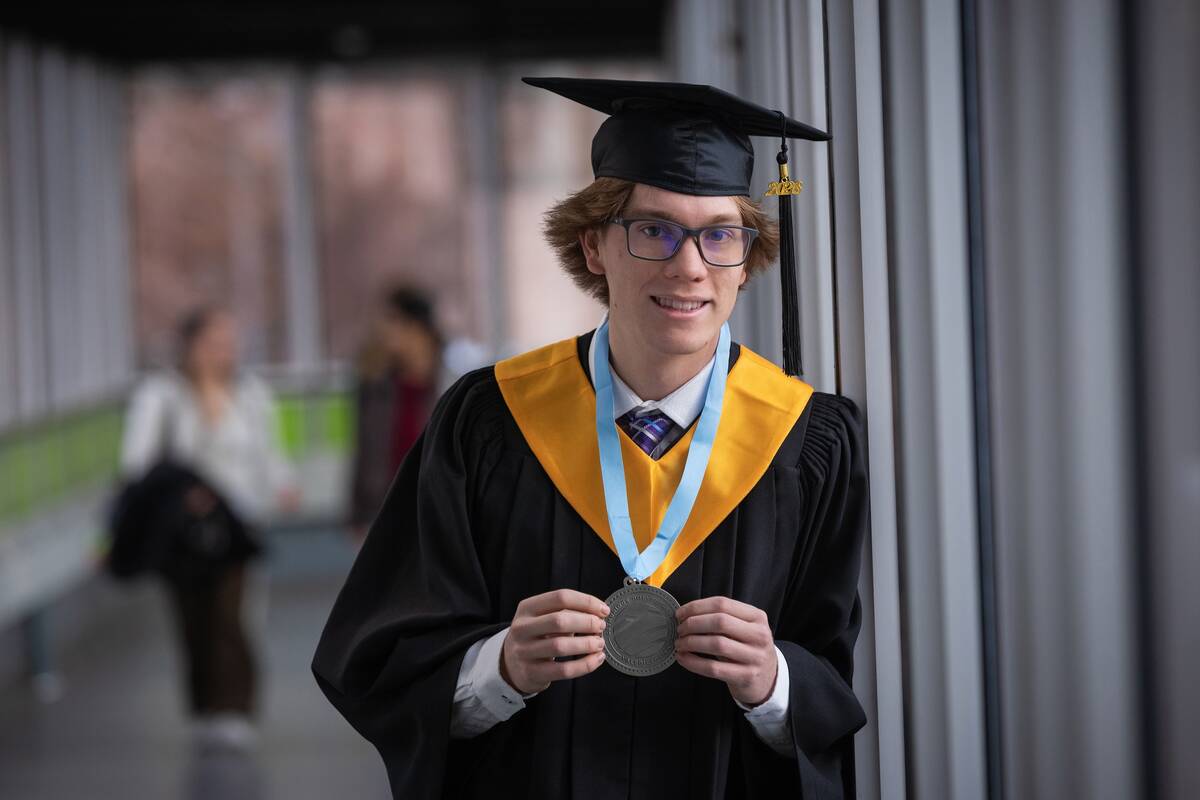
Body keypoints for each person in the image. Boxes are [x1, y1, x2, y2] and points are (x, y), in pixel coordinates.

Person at [313, 78, 869, 798]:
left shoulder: (811, 442)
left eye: (720, 233)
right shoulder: (488, 422)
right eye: (655, 229)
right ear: (595, 246)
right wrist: (500, 667)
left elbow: (834, 685)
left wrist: (772, 680)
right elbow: (383, 660)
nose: (690, 265)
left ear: (747, 254)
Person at [120, 307, 297, 750]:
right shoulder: (161, 397)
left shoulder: (251, 394)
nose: (226, 351)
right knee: (192, 617)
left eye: (230, 342)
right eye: (215, 342)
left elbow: (268, 453)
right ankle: (204, 707)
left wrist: (284, 485)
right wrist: (180, 493)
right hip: (182, 533)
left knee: (233, 616)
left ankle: (236, 707)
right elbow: (138, 463)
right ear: (191, 346)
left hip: (238, 527)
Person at [347, 286, 443, 539]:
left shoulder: (450, 384)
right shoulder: (375, 386)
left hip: (438, 512)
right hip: (385, 512)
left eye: (393, 321)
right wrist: (357, 514)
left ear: (416, 328)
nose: (384, 331)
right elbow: (363, 452)